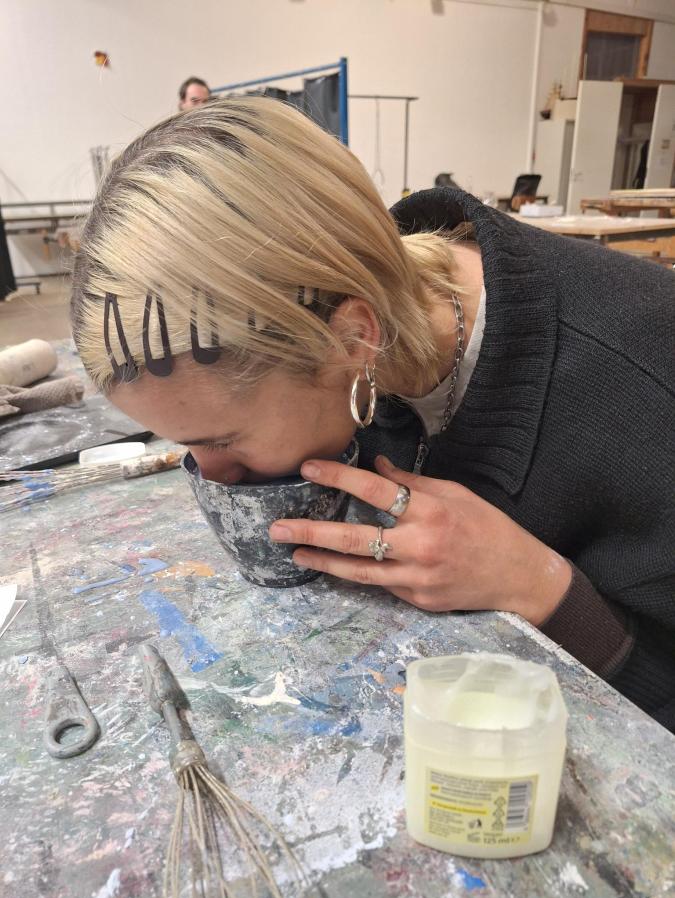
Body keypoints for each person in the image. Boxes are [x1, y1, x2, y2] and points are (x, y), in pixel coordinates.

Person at [70, 98, 675, 732]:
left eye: (221, 440)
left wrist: (539, 587)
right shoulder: (347, 297)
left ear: (352, 340)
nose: (209, 475)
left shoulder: (645, 374)